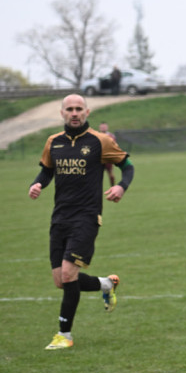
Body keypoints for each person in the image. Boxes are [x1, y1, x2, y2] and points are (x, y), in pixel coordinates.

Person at [28, 95, 134, 350]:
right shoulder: (53, 142)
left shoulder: (100, 141)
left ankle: (65, 334)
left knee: (68, 273)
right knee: (61, 281)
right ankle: (106, 284)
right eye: (69, 109)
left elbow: (127, 166)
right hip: (60, 217)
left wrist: (121, 186)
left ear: (86, 112)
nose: (74, 113)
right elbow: (47, 170)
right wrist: (38, 183)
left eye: (78, 109)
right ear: (62, 112)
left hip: (86, 217)